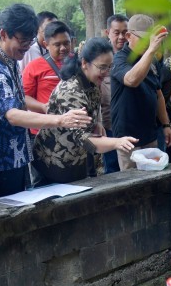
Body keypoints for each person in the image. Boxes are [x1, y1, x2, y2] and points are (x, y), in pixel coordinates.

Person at [0, 4, 91, 200]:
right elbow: (12, 115)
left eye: (30, 39)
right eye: (22, 40)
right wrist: (60, 120)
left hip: (16, 155)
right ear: (3, 34)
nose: (27, 45)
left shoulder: (9, 58)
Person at [32, 37, 138, 184]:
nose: (107, 72)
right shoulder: (71, 91)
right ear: (84, 64)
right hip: (53, 162)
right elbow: (84, 140)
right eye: (102, 67)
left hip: (75, 160)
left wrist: (98, 122)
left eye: (109, 67)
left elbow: (95, 107)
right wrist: (116, 143)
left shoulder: (92, 82)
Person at [110, 14, 171, 170]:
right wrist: (151, 50)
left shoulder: (151, 61)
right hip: (127, 138)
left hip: (150, 134)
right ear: (128, 36)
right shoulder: (119, 59)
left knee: (154, 179)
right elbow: (131, 80)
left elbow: (158, 94)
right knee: (130, 185)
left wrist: (166, 124)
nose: (148, 43)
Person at [23, 20, 73, 115]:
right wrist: (43, 107)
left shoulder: (80, 63)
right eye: (57, 45)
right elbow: (25, 97)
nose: (63, 48)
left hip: (75, 125)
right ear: (46, 45)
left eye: (66, 43)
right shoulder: (33, 67)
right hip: (45, 125)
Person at [100, 14, 129, 175]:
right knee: (112, 170)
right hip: (109, 126)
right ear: (107, 32)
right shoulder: (100, 59)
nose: (121, 37)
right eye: (116, 32)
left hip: (130, 124)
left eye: (125, 32)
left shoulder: (135, 57)